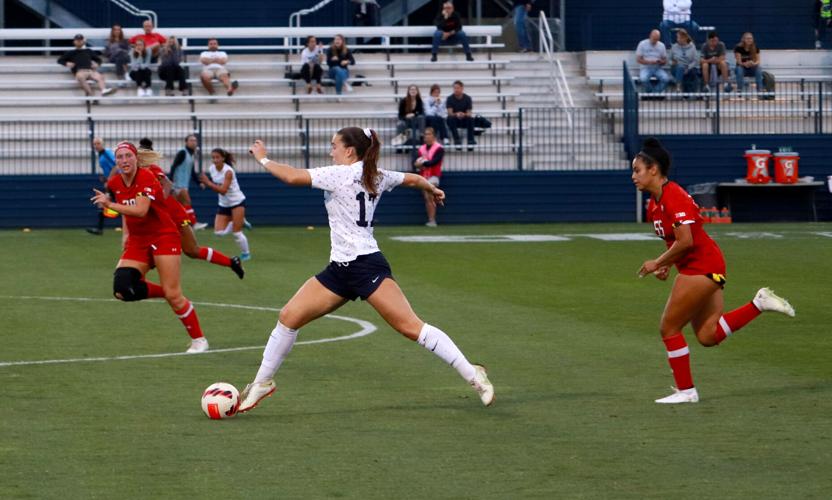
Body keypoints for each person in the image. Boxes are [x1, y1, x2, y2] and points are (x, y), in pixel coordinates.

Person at [236, 129, 494, 413]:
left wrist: (262, 158)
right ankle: (262, 383)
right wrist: (430, 188)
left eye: (334, 146)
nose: (330, 151)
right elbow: (412, 178)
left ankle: (473, 374)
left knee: (410, 326)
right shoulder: (376, 174)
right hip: (340, 269)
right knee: (288, 317)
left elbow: (291, 176)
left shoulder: (340, 174)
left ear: (349, 151)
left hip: (366, 265)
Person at [631, 137, 795, 404]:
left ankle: (687, 391)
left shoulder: (673, 196)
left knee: (669, 328)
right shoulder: (654, 204)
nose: (633, 176)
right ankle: (759, 303)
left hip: (702, 266)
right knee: (708, 335)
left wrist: (658, 262)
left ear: (654, 169)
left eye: (637, 170)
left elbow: (687, 241)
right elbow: (677, 243)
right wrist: (668, 264)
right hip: (702, 266)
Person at [89, 141, 210, 353]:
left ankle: (199, 339)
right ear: (115, 161)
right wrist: (123, 229)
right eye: (120, 157)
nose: (124, 160)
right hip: (138, 239)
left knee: (175, 295)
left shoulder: (146, 177)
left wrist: (109, 205)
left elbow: (141, 210)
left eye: (128, 156)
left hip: (163, 236)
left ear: (136, 158)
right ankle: (169, 292)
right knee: (122, 289)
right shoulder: (116, 182)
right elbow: (125, 211)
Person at [137, 141, 245, 279]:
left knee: (192, 251)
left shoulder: (151, 169)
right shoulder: (133, 176)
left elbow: (168, 184)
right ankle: (137, 277)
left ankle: (231, 262)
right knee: (153, 247)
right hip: (159, 219)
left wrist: (159, 204)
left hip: (173, 215)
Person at [199, 148, 251, 261]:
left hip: (237, 201)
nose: (215, 160)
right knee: (218, 233)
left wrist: (208, 183)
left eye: (217, 157)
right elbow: (214, 183)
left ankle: (246, 253)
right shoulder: (212, 168)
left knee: (237, 233)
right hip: (223, 203)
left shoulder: (228, 171)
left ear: (223, 158)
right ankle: (237, 221)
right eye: (213, 157)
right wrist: (205, 184)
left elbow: (223, 190)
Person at [168, 134, 205, 230]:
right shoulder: (182, 153)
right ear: (186, 142)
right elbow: (173, 166)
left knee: (177, 207)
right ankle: (193, 223)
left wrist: (199, 183)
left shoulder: (191, 155)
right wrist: (170, 181)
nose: (193, 142)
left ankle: (178, 225)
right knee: (187, 202)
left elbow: (192, 172)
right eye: (191, 140)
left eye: (195, 141)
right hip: (177, 185)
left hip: (183, 185)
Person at [413, 127, 444, 227]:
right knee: (427, 198)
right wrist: (417, 164)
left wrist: (423, 163)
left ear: (433, 136)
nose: (426, 136)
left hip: (434, 176)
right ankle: (431, 219)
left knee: (429, 196)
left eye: (428, 134)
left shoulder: (439, 148)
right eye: (425, 134)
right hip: (423, 177)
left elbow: (434, 162)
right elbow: (414, 163)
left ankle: (432, 220)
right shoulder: (421, 149)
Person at [86, 137, 118, 236]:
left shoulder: (106, 153)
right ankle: (99, 229)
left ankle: (100, 229)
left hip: (116, 182)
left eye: (98, 143)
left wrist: (109, 180)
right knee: (103, 203)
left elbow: (116, 166)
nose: (96, 146)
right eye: (94, 144)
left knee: (105, 202)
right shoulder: (100, 155)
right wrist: (105, 178)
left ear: (102, 144)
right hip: (112, 181)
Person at [635, 30, 671, 94]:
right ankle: (651, 93)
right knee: (643, 79)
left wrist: (661, 62)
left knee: (666, 79)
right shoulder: (642, 44)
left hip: (657, 68)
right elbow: (638, 59)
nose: (655, 41)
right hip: (645, 67)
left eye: (656, 39)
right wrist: (649, 62)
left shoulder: (661, 45)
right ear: (650, 36)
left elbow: (665, 61)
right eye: (654, 39)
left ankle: (654, 93)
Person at [445, 80, 476, 150]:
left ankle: (470, 141)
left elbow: (469, 113)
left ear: (462, 88)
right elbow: (450, 112)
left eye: (458, 88)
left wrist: (463, 114)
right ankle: (457, 141)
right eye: (455, 88)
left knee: (471, 119)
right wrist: (457, 114)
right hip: (454, 120)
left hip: (464, 119)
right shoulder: (449, 98)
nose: (456, 90)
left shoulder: (468, 98)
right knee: (450, 118)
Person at [670, 29, 699, 94]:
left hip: (689, 67)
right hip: (676, 68)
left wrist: (688, 68)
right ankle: (678, 86)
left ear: (685, 38)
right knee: (680, 67)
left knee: (693, 74)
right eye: (677, 37)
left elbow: (695, 60)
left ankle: (687, 95)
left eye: (679, 38)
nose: (677, 39)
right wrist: (672, 62)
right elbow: (669, 59)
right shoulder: (674, 47)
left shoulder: (692, 47)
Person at [734, 32, 763, 96]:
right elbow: (738, 61)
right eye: (747, 38)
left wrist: (753, 63)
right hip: (742, 68)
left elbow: (758, 61)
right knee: (739, 69)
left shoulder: (755, 48)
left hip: (751, 68)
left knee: (758, 69)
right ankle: (739, 89)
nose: (749, 40)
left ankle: (760, 90)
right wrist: (745, 64)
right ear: (743, 39)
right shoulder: (738, 48)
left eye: (751, 38)